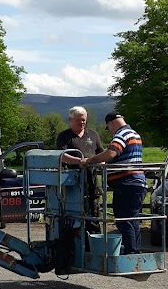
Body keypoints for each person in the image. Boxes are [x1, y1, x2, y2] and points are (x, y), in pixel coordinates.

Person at [63, 112, 146, 254]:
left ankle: (131, 252)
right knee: (132, 219)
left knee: (123, 219)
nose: (110, 131)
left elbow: (111, 153)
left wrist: (89, 161)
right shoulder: (134, 134)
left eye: (109, 127)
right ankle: (134, 250)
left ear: (112, 123)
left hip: (126, 183)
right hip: (137, 183)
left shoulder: (122, 134)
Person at [56, 106, 104, 234]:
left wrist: (99, 163)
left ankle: (93, 244)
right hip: (72, 183)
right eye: (79, 120)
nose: (82, 122)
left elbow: (101, 154)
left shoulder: (93, 135)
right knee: (73, 216)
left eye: (84, 120)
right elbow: (62, 156)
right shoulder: (64, 136)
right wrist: (80, 161)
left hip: (92, 181)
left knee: (93, 213)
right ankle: (74, 245)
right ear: (71, 120)